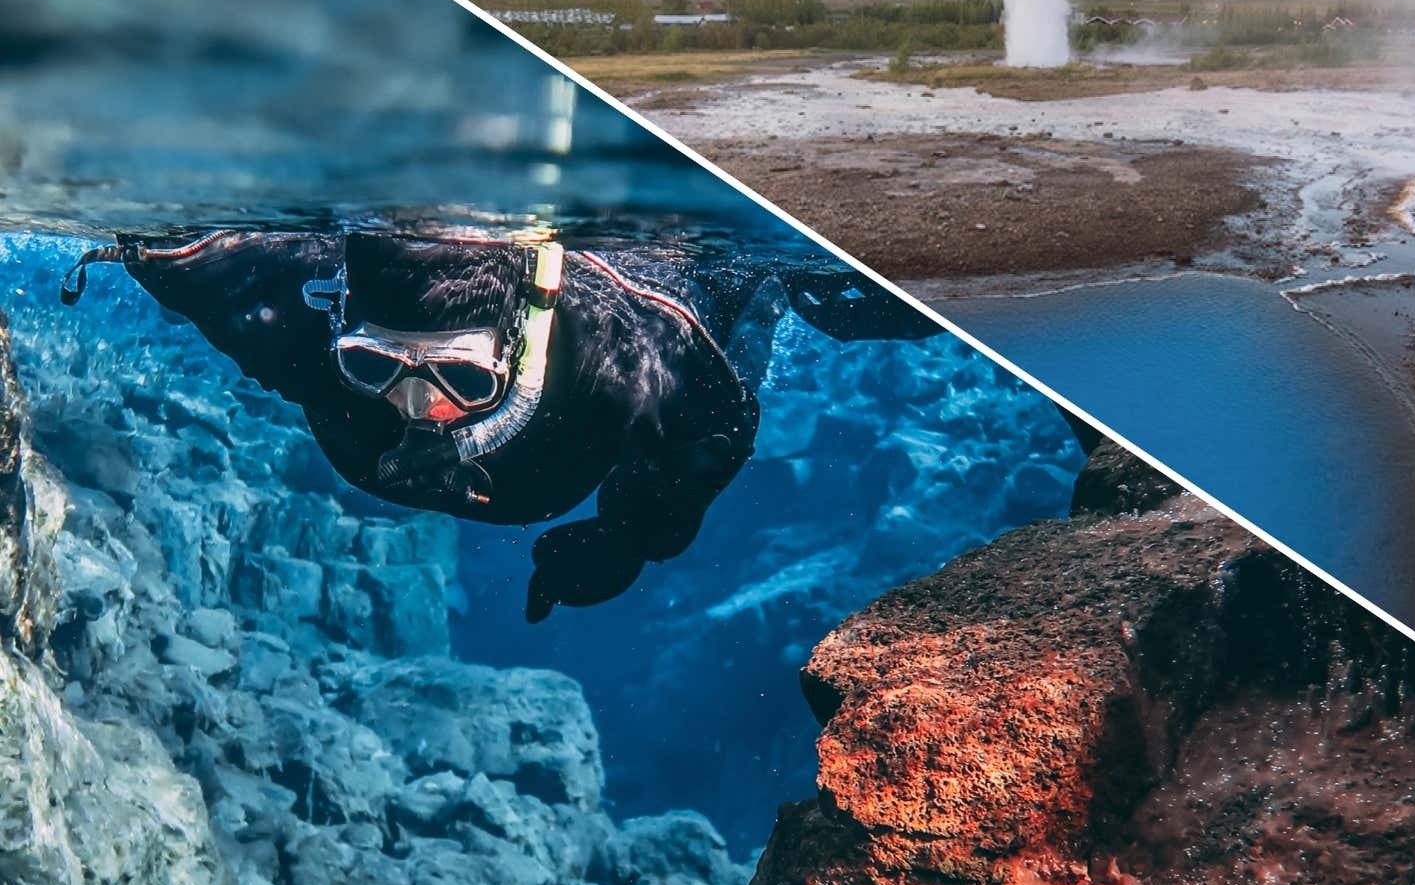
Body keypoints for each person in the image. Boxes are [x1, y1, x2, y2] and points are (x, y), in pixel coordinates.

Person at [61, 230, 943, 622]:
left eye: (456, 376)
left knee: (755, 282)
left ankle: (808, 276)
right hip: (534, 450)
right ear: (341, 327)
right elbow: (182, 259)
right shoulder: (287, 312)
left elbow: (704, 446)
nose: (411, 406)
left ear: (513, 350)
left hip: (646, 325)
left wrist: (625, 537)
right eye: (373, 366)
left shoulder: (634, 356)